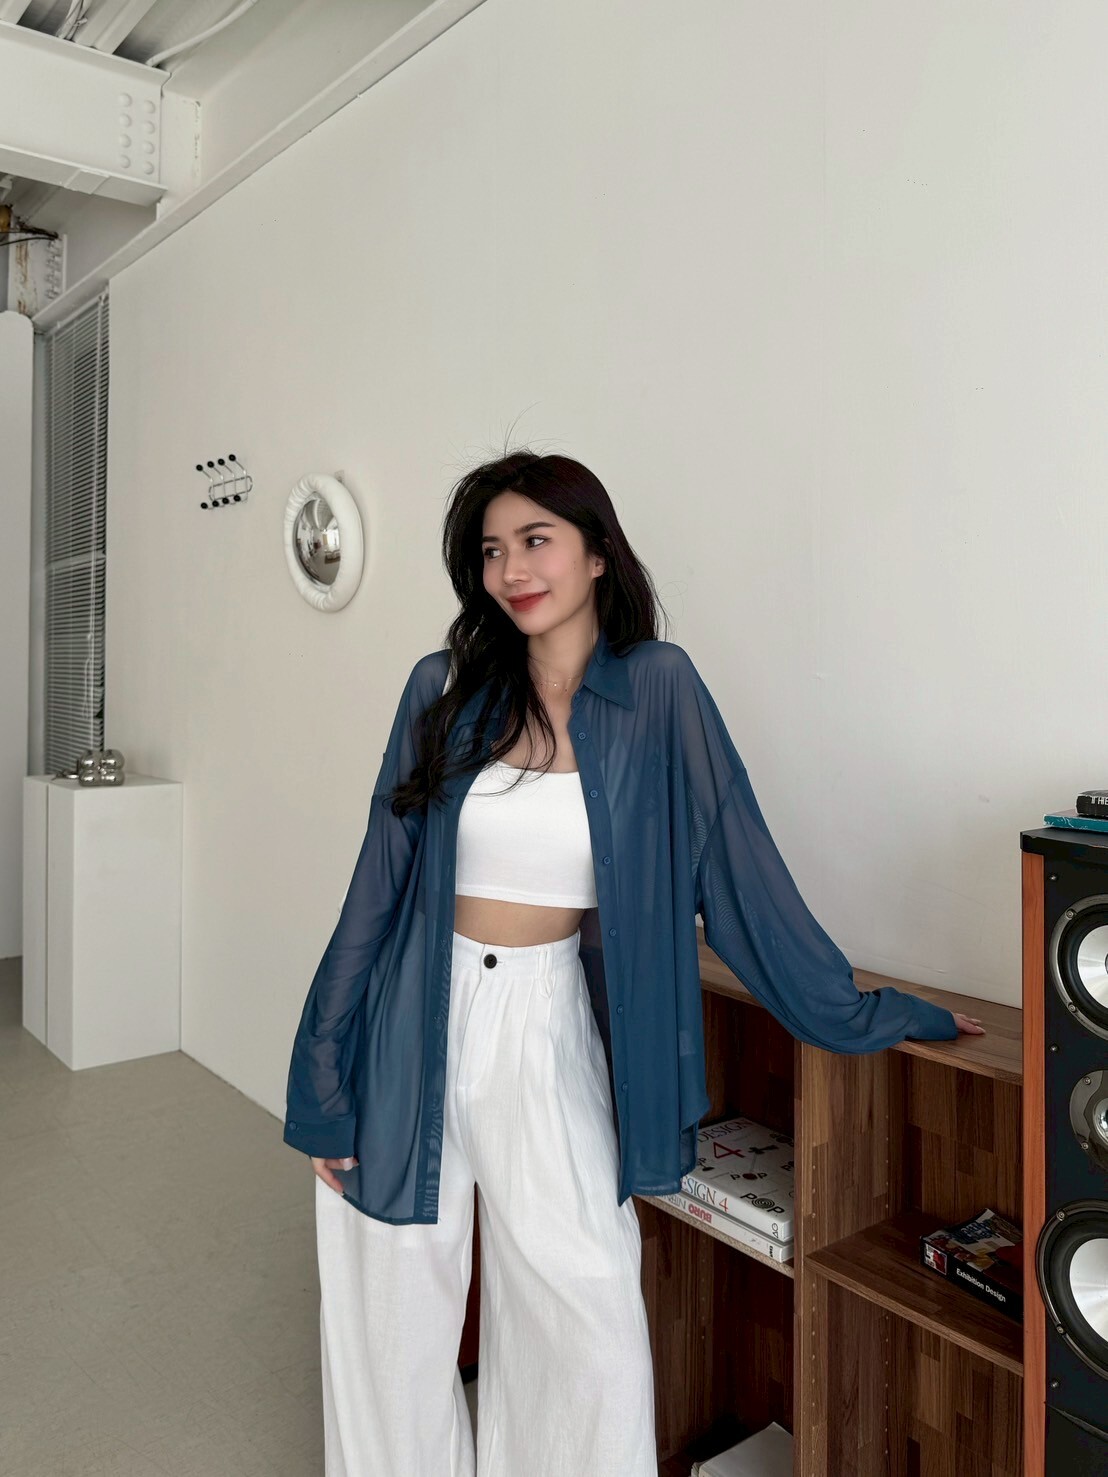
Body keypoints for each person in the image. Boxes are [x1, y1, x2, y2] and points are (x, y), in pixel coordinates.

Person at [283, 450, 986, 1477]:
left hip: (545, 1020)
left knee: (590, 1321)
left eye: (536, 540)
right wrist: (320, 1076)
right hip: (408, 1019)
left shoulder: (658, 690)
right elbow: (375, 886)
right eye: (492, 550)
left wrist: (873, 1010)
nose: (513, 569)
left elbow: (740, 872)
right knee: (388, 1327)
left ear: (597, 552)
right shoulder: (441, 687)